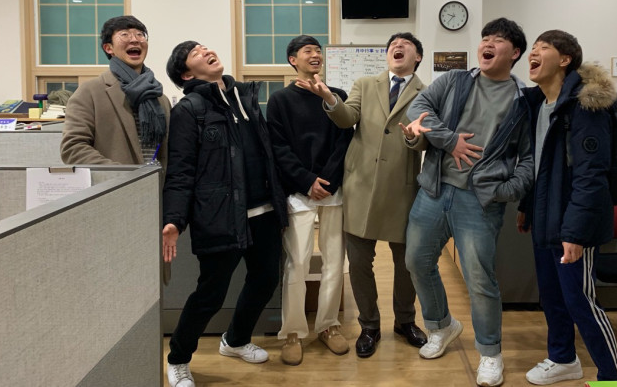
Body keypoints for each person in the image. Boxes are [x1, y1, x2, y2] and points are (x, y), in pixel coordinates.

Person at [401, 18, 533, 387]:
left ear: (515, 53)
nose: (487, 44)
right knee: (417, 261)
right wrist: (450, 140)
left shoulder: (524, 100)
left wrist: (505, 191)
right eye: (485, 38)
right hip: (435, 188)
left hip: (480, 201)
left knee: (480, 279)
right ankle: (441, 325)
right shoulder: (456, 80)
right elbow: (417, 108)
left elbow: (528, 157)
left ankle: (490, 353)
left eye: (498, 40)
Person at [161, 41, 288, 387]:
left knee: (265, 280)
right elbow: (181, 170)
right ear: (187, 74)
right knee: (211, 294)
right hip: (220, 215)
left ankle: (235, 340)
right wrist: (174, 219)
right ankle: (178, 359)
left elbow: (266, 153)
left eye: (205, 47)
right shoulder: (190, 109)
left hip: (263, 211)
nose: (206, 51)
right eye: (195, 53)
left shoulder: (244, 97)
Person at [296, 32, 428, 358]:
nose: (397, 47)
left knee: (407, 263)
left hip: (402, 190)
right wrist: (330, 99)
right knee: (358, 263)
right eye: (392, 44)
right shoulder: (366, 85)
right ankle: (369, 325)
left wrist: (415, 138)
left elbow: (426, 139)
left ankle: (405, 321)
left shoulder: (427, 93)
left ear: (417, 57)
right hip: (361, 186)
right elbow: (347, 118)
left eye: (405, 45)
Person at [518, 30, 617, 385]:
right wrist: (527, 205)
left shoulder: (583, 106)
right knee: (552, 297)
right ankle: (563, 358)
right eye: (533, 48)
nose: (533, 53)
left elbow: (591, 175)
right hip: (545, 218)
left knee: (581, 302)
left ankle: (613, 378)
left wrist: (575, 233)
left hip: (572, 224)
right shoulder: (539, 104)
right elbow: (541, 165)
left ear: (565, 60)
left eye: (543, 48)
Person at [266, 35, 354, 366]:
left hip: (332, 190)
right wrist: (306, 180)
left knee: (335, 261)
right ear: (293, 60)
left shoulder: (336, 95)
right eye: (308, 51)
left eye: (318, 50)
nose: (315, 55)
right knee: (297, 262)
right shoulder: (280, 100)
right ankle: (292, 332)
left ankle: (328, 325)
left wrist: (327, 181)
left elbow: (345, 141)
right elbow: (278, 147)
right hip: (298, 191)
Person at [61, 15, 170, 167]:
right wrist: (119, 174)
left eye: (140, 34)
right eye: (125, 34)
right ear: (108, 48)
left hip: (156, 181)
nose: (134, 39)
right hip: (116, 181)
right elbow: (73, 148)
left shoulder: (159, 97)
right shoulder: (90, 92)